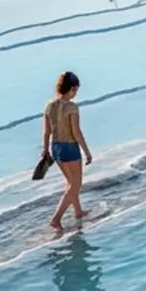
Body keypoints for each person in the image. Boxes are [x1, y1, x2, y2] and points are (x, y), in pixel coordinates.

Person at [43, 71, 93, 230]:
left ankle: (78, 211)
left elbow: (46, 132)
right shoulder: (72, 107)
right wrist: (87, 152)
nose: (75, 93)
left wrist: (45, 150)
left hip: (56, 146)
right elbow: (76, 132)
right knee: (76, 184)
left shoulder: (49, 105)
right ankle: (56, 218)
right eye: (75, 90)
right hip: (70, 147)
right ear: (70, 89)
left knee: (71, 183)